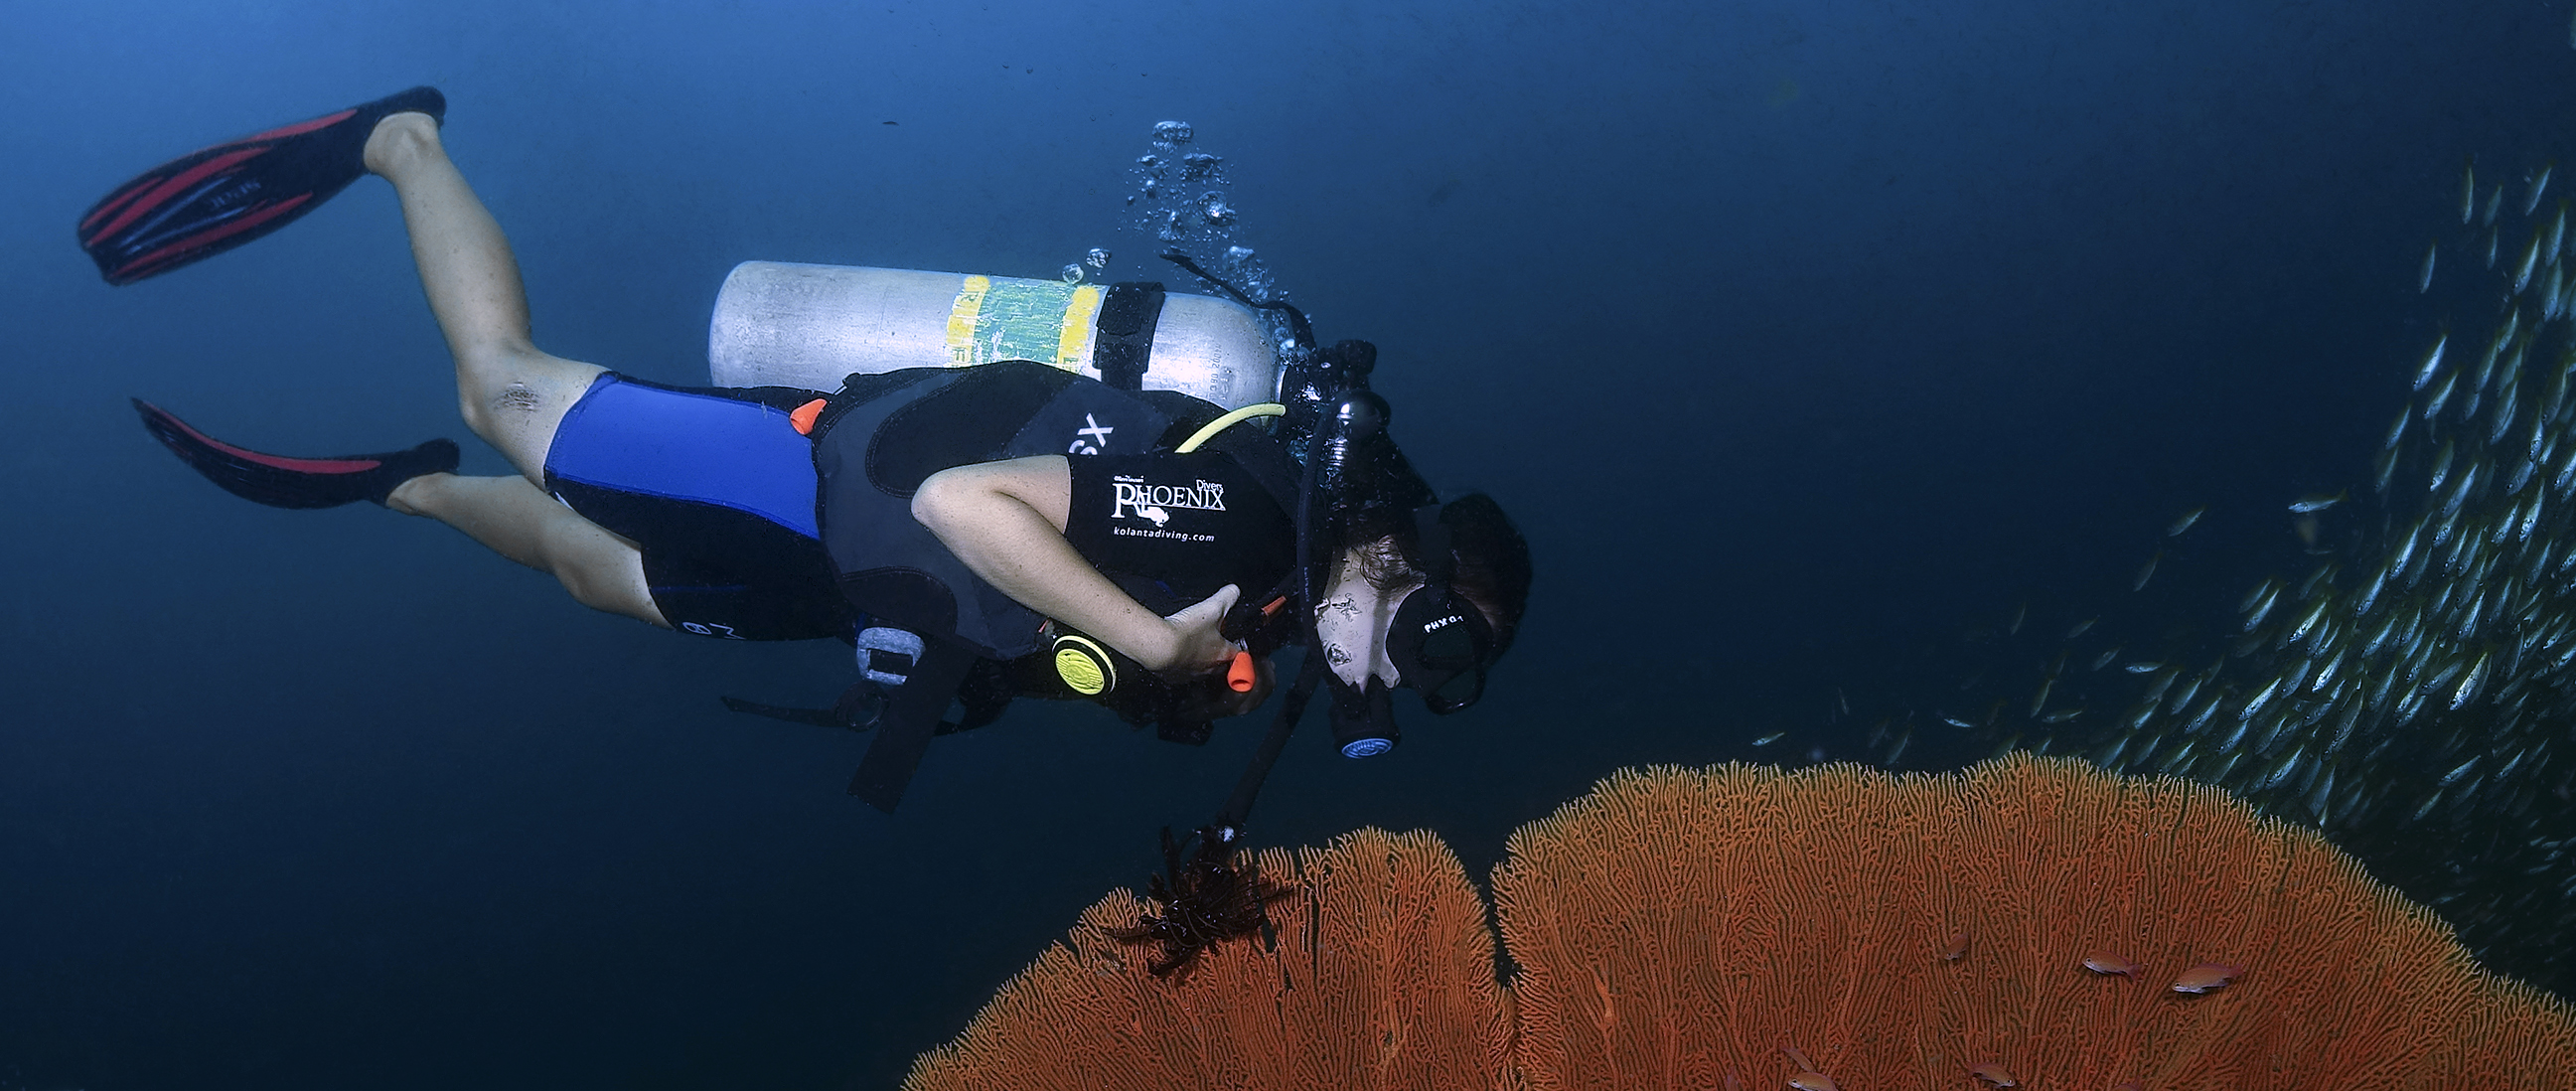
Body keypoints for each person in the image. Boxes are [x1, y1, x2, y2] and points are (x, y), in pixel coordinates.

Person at [80, 89, 1532, 805]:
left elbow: (1062, 612)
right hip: (823, 477)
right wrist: (1149, 656)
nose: (1405, 674)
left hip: (855, 583)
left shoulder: (1274, 591)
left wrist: (1155, 681)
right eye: (1433, 637)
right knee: (500, 389)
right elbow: (977, 506)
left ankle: (403, 487)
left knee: (605, 579)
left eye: (1436, 677)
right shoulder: (1239, 513)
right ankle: (403, 137)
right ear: (1394, 547)